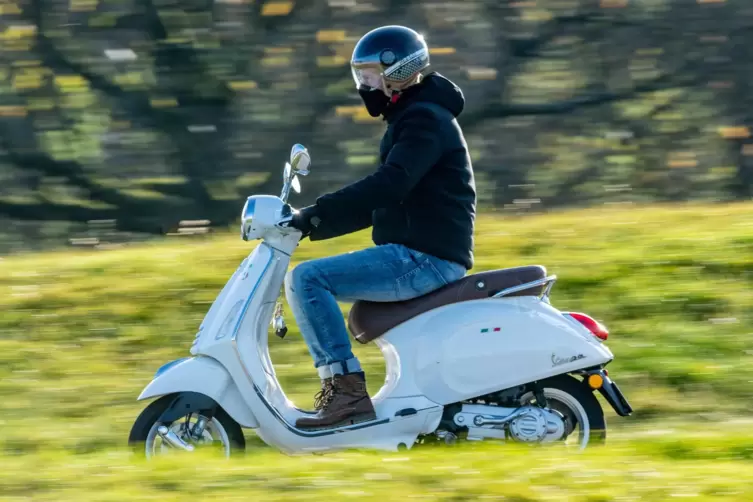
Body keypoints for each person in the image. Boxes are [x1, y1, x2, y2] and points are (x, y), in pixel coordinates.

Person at [285, 25, 476, 430]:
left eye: (370, 75)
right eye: (361, 76)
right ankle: (346, 392)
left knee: (307, 280)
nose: (364, 85)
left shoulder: (423, 120)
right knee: (309, 277)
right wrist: (309, 223)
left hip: (425, 257)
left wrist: (316, 212)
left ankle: (346, 392)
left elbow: (391, 184)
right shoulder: (415, 117)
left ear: (400, 73)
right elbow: (382, 202)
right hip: (418, 252)